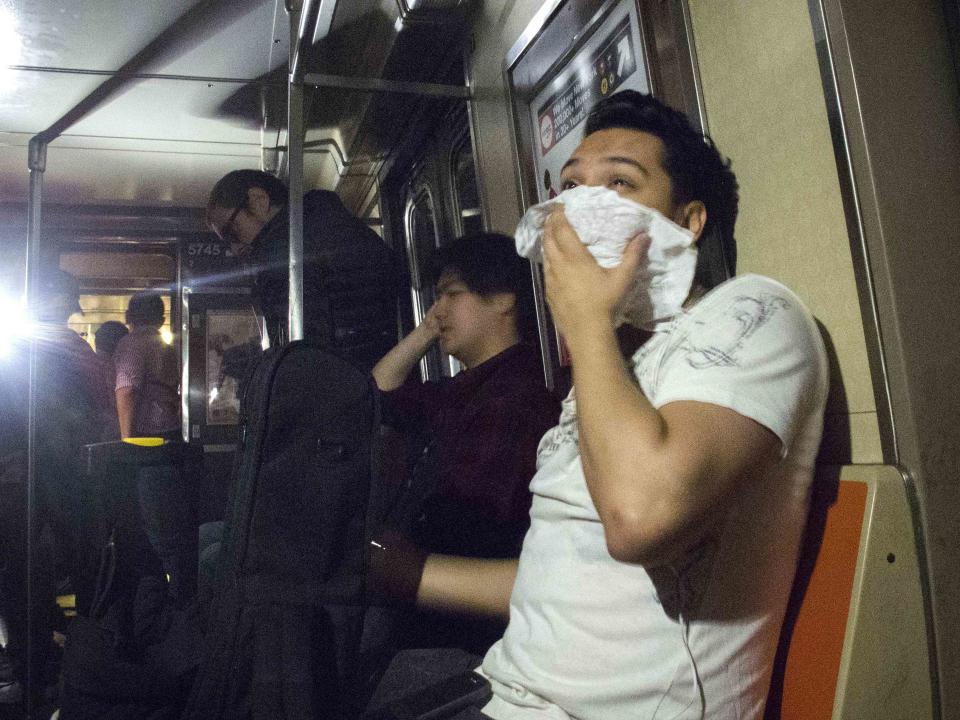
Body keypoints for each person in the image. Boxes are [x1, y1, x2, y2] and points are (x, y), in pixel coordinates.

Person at [367, 90, 829, 720]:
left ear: (689, 220)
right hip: (501, 688)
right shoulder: (611, 365)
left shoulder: (754, 313)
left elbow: (638, 518)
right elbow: (560, 575)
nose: (584, 206)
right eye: (571, 186)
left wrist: (584, 319)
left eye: (619, 183)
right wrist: (411, 574)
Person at [369, 233, 559, 654]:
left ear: (504, 299)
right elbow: (379, 394)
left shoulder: (514, 397)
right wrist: (424, 331)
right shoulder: (465, 389)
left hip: (463, 614)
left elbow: (466, 521)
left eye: (452, 295)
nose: (438, 312)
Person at [205, 170, 396, 368]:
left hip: (355, 385)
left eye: (232, 231)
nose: (234, 249)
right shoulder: (333, 224)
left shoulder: (281, 259)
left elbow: (304, 357)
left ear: (259, 200)